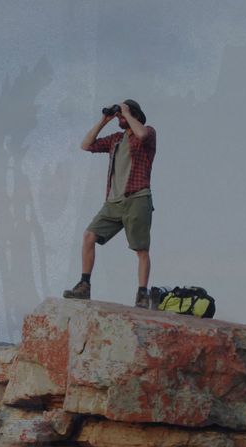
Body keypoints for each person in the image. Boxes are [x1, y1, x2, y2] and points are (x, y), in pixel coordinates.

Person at [63, 99, 157, 308]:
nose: (120, 118)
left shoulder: (148, 132)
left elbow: (140, 134)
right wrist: (104, 120)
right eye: (120, 115)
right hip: (113, 201)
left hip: (138, 198)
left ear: (134, 115)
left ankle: (142, 293)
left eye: (123, 115)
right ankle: (84, 285)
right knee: (89, 236)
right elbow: (86, 145)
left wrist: (127, 113)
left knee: (141, 250)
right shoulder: (116, 139)